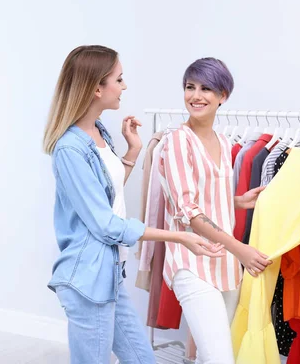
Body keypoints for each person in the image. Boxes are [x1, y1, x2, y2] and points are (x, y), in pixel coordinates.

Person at [43, 45, 224, 364]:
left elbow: (106, 196)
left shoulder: (97, 132)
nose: (124, 86)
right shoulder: (70, 149)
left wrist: (132, 150)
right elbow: (105, 224)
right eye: (119, 79)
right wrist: (179, 236)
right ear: (97, 87)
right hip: (87, 280)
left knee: (143, 359)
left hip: (109, 273)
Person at [158, 57, 272, 363]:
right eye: (189, 87)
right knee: (220, 358)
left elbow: (205, 195)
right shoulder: (178, 142)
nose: (195, 95)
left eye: (206, 88)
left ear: (223, 96)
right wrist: (241, 250)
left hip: (224, 265)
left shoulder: (223, 141)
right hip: (193, 263)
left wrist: (237, 200)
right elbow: (188, 211)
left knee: (213, 355)